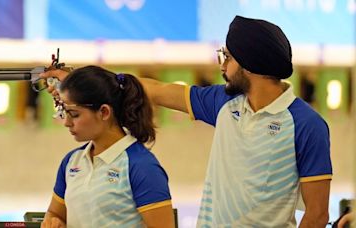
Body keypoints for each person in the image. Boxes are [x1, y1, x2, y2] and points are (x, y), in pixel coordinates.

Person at [41, 16, 332, 227]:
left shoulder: (307, 125)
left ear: (249, 64)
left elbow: (318, 214)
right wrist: (80, 80)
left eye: (227, 57)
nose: (221, 65)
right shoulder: (225, 103)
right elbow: (156, 90)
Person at [40, 66, 175, 228]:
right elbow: (55, 214)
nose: (67, 122)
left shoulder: (141, 166)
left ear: (104, 112)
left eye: (74, 114)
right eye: (64, 113)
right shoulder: (71, 161)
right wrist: (54, 221)